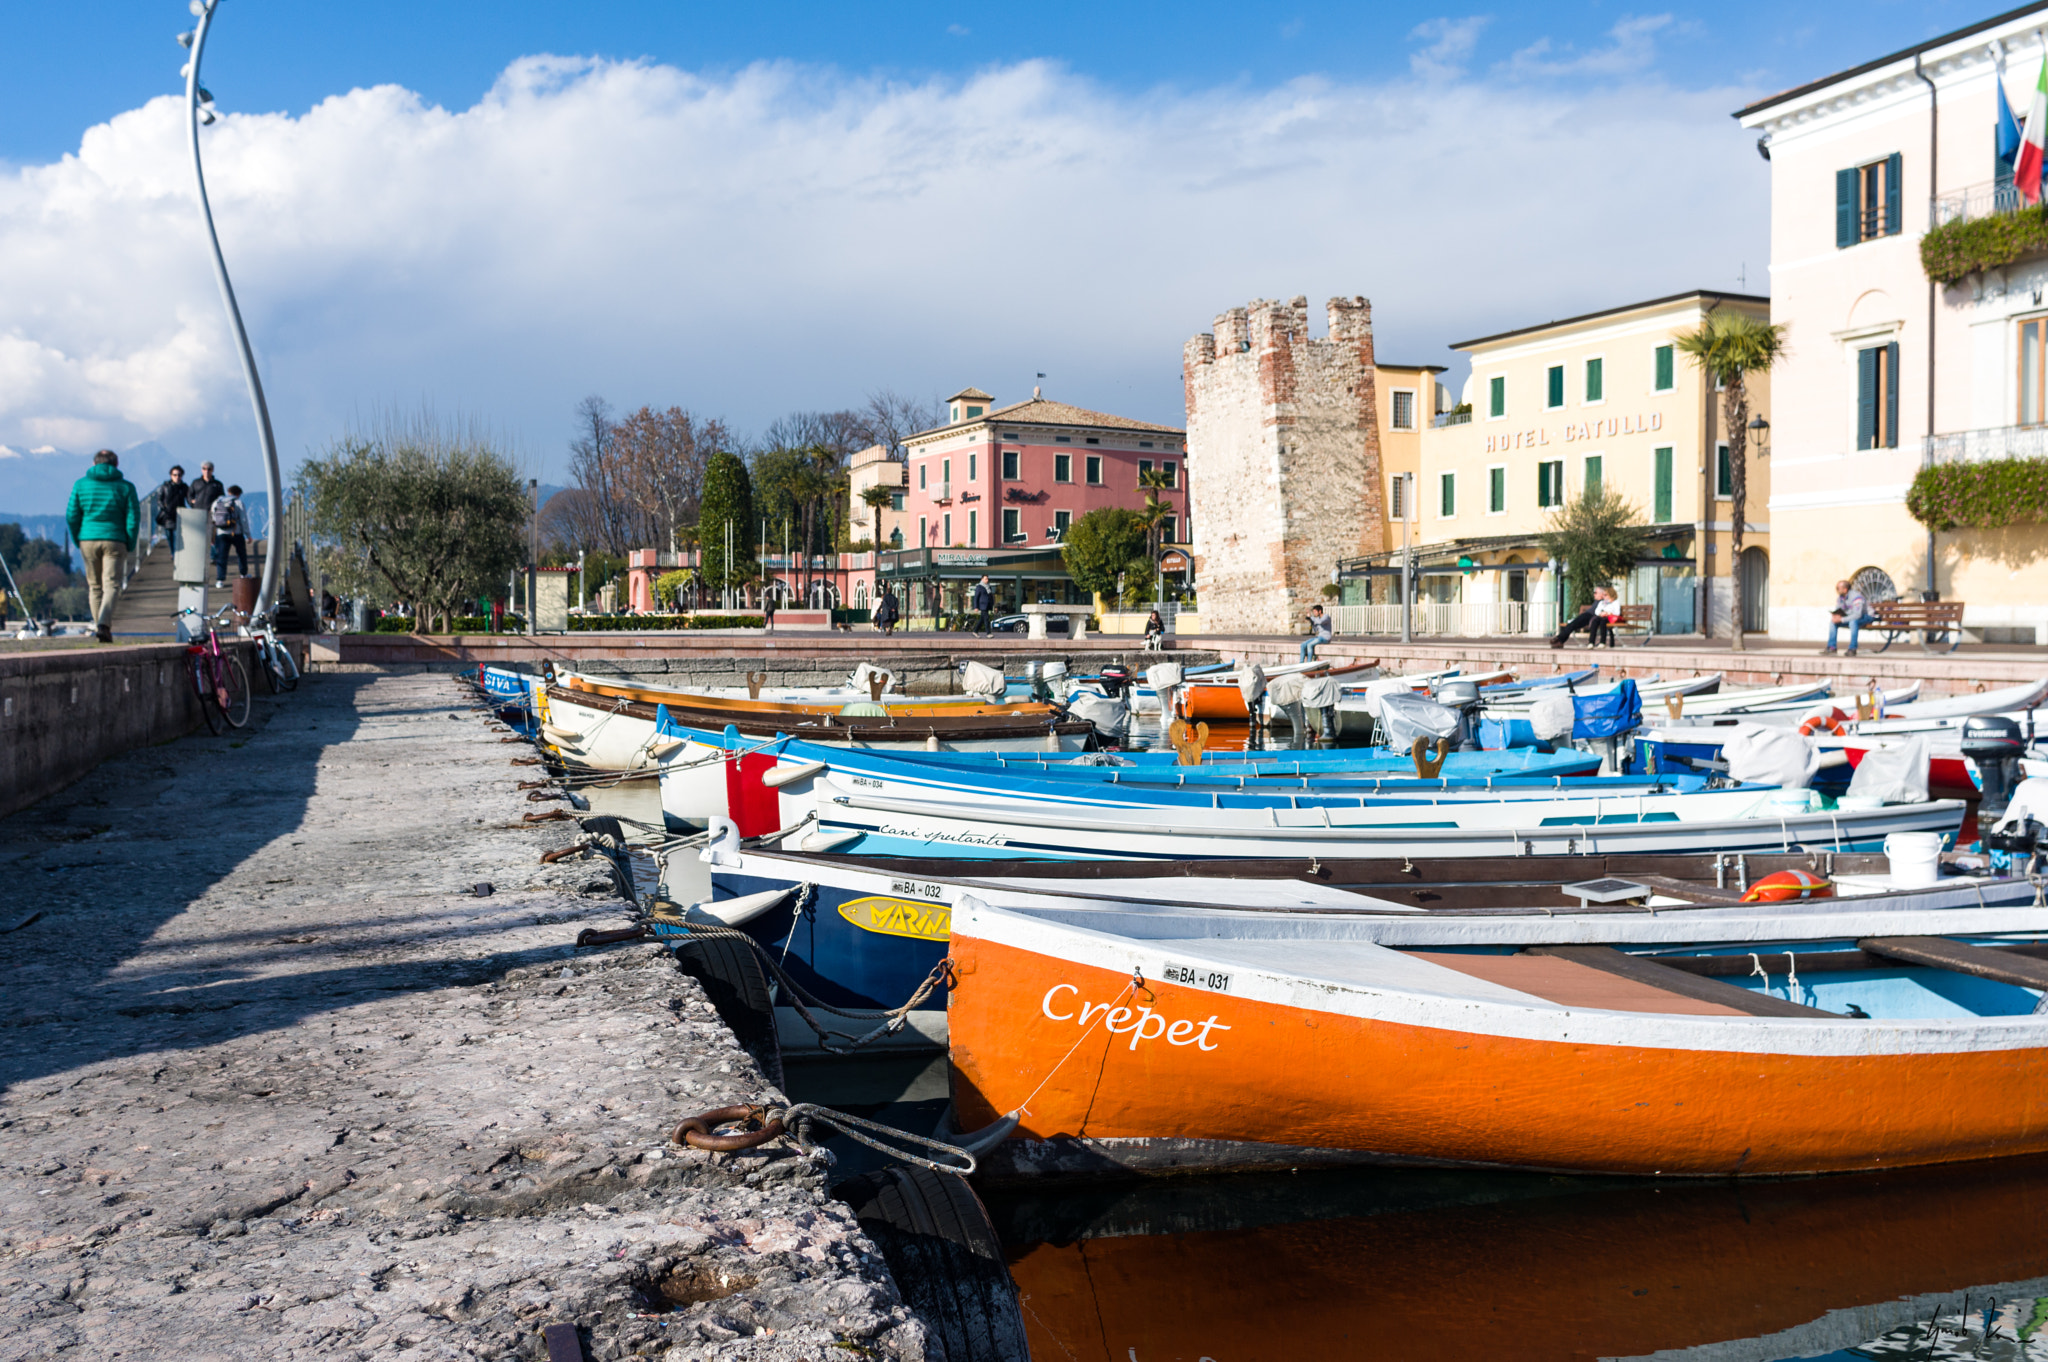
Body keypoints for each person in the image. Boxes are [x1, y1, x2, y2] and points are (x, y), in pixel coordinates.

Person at [66, 449, 140, 644]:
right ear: (116, 464)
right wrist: (130, 541)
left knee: (94, 586)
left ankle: (99, 623)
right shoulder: (126, 487)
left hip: (88, 539)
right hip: (115, 539)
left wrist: (78, 539)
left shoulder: (81, 485)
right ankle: (104, 625)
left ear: (94, 463)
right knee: (112, 584)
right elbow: (133, 518)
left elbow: (72, 516)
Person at [1822, 579, 1877, 656]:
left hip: (1867, 616)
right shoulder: (1840, 598)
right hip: (1852, 617)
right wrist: (1836, 616)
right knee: (1833, 623)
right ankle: (1831, 647)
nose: (1837, 590)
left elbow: (1857, 615)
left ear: (1845, 589)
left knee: (1853, 622)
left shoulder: (1856, 597)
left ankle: (1852, 648)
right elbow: (1839, 610)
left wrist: (1841, 619)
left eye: (1838, 588)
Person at [210, 483, 250, 587]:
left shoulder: (217, 502)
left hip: (221, 533)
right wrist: (248, 534)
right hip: (236, 532)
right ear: (238, 494)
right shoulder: (238, 502)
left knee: (222, 556)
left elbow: (214, 519)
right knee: (241, 554)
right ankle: (243, 574)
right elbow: (243, 520)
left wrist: (213, 535)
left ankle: (220, 580)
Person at [1551, 585, 1616, 648]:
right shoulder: (1599, 602)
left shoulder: (1604, 602)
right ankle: (1560, 640)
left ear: (1602, 594)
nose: (1594, 594)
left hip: (1591, 617)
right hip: (1588, 616)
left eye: (1596, 593)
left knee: (1572, 625)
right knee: (1571, 625)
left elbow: (1608, 609)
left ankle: (1559, 639)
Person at [152, 464, 189, 546]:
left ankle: (175, 554)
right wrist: (164, 508)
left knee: (177, 536)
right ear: (171, 475)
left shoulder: (184, 487)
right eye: (175, 475)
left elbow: (188, 499)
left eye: (179, 475)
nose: (177, 477)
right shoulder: (165, 486)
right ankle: (173, 553)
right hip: (168, 515)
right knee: (170, 536)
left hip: (180, 514)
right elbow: (159, 499)